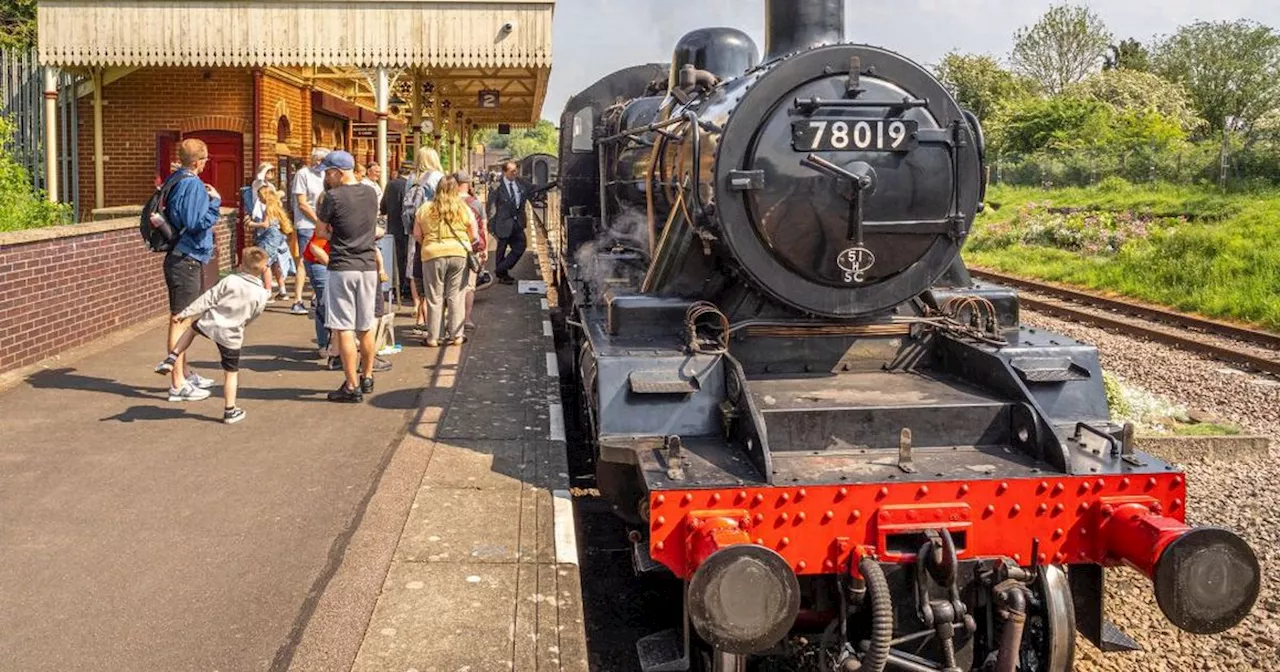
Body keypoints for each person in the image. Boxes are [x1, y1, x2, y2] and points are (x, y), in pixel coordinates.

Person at [155, 247, 272, 424]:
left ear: (240, 266)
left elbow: (208, 298)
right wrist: (242, 324)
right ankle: (230, 410)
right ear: (263, 270)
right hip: (232, 335)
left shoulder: (231, 280)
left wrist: (186, 312)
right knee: (231, 373)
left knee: (192, 330)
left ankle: (172, 357)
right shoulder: (262, 294)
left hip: (211, 323)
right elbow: (254, 314)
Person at [158, 138, 221, 402]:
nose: (206, 164)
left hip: (180, 257)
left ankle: (184, 372)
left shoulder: (176, 179)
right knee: (181, 320)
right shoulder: (192, 183)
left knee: (184, 318)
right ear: (197, 162)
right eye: (205, 160)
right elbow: (196, 222)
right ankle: (178, 383)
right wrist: (215, 202)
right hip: (187, 258)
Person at [316, 150, 381, 402]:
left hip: (342, 265)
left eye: (328, 172)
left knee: (343, 327)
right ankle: (367, 375)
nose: (326, 177)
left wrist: (337, 237)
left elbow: (321, 232)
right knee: (365, 326)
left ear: (338, 172)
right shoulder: (371, 193)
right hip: (367, 265)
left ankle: (351, 385)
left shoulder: (332, 197)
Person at [414, 175, 479, 347]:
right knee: (456, 296)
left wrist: (431, 244)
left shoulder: (425, 209)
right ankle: (456, 336)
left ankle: (433, 338)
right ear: (456, 189)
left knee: (434, 297)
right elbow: (474, 234)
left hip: (432, 254)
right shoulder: (463, 208)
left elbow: (417, 235)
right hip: (459, 254)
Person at [291, 147, 330, 315]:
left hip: (322, 224)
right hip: (306, 224)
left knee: (320, 259)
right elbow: (302, 202)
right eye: (318, 161)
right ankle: (297, 300)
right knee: (304, 260)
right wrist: (318, 221)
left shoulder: (324, 175)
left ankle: (316, 297)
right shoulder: (303, 174)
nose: (320, 164)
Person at [456, 171, 493, 330]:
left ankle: (452, 320)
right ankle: (467, 318)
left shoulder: (445, 203)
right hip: (471, 248)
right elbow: (483, 227)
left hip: (452, 248)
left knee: (453, 286)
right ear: (467, 184)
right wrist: (483, 249)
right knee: (469, 285)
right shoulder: (475, 203)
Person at [487, 160, 533, 284]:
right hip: (502, 224)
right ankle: (503, 275)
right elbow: (491, 208)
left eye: (515, 170)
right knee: (501, 250)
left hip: (517, 223)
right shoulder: (496, 186)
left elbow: (534, 188)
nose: (515, 172)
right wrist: (491, 228)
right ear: (504, 172)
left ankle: (500, 269)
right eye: (512, 171)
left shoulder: (520, 182)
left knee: (521, 246)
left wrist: (555, 183)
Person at [248, 186, 292, 298]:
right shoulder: (277, 206)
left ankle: (267, 291)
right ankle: (282, 290)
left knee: (265, 264)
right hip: (279, 236)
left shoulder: (268, 208)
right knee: (276, 264)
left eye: (260, 196)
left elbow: (265, 224)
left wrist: (251, 224)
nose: (259, 198)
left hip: (270, 237)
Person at [381, 162, 413, 299]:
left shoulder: (390, 185)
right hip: (408, 227)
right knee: (408, 257)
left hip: (393, 226)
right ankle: (406, 286)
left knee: (396, 258)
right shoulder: (411, 186)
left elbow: (383, 207)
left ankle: (396, 286)